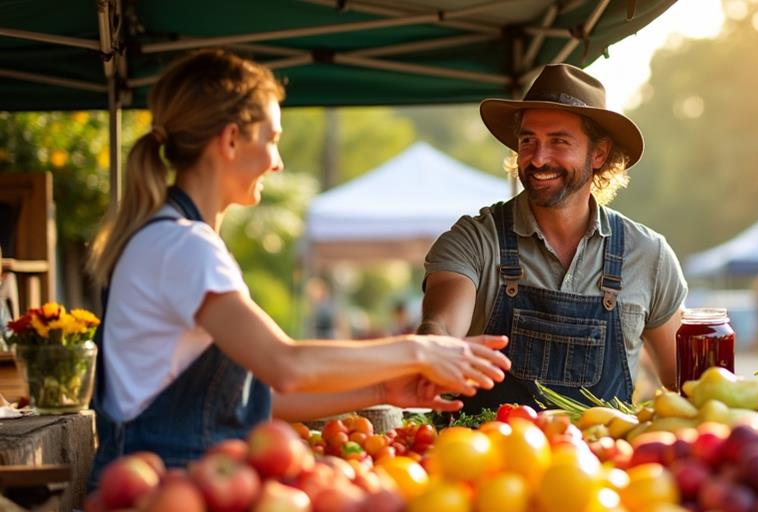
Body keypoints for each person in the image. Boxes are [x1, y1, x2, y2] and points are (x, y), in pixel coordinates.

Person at [85, 50, 510, 476]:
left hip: (166, 486)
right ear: (231, 140)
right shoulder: (184, 245)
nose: (277, 161)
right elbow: (286, 366)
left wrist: (382, 390)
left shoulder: (171, 238)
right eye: (271, 139)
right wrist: (420, 350)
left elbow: (259, 396)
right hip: (159, 493)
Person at [418, 64, 687, 412]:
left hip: (604, 449)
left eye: (559, 141)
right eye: (528, 140)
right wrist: (434, 347)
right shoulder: (474, 240)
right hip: (488, 448)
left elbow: (685, 380)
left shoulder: (648, 255)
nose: (538, 158)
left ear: (599, 154)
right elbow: (441, 325)